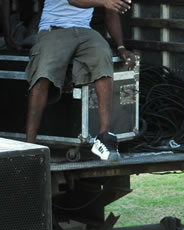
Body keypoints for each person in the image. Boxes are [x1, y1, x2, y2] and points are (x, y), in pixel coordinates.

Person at [25, 0, 137, 160]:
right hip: (54, 29)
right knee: (42, 75)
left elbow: (111, 12)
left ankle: (104, 138)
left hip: (85, 31)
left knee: (103, 59)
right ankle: (29, 146)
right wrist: (105, 2)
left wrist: (121, 47)